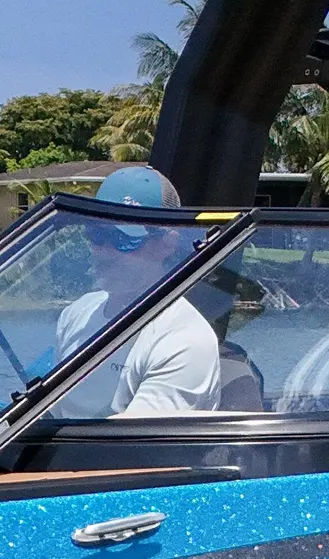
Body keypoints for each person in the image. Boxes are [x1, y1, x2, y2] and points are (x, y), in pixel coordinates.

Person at [44, 166, 218, 417]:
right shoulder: (76, 313)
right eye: (96, 233)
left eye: (123, 239)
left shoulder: (185, 339)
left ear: (166, 244)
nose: (104, 250)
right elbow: (53, 414)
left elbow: (134, 450)